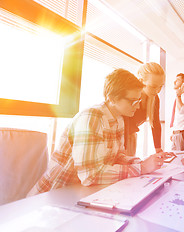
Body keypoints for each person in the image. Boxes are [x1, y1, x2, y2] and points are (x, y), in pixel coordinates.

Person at [28, 69, 166, 195]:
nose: (137, 106)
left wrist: (140, 162)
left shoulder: (119, 119)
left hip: (82, 191)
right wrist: (141, 168)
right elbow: (89, 176)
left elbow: (117, 156)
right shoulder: (92, 117)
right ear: (112, 98)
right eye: (133, 101)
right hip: (57, 192)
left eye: (139, 100)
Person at [126, 62, 165, 156]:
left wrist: (159, 150)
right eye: (153, 86)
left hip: (131, 135)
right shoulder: (128, 96)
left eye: (161, 86)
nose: (157, 91)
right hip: (119, 136)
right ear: (141, 81)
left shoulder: (154, 98)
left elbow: (155, 123)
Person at [170, 73, 184, 151]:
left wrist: (178, 96)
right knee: (173, 158)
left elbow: (181, 110)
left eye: (178, 80)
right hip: (177, 133)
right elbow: (177, 117)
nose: (174, 82)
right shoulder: (180, 97)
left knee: (181, 159)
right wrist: (173, 132)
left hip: (183, 134)